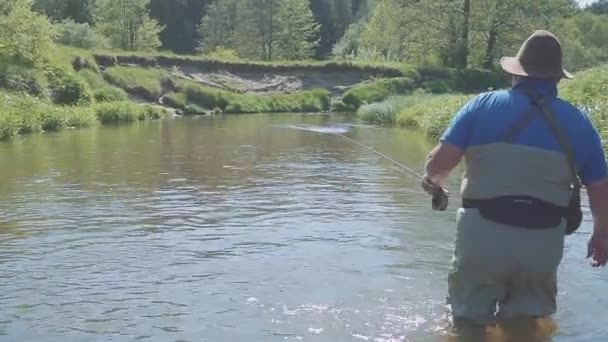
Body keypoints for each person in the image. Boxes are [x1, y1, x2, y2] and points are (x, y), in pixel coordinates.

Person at [421, 30, 608, 338]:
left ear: (516, 74)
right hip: (543, 243)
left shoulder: (481, 106)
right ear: (557, 79)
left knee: (467, 324)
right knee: (527, 327)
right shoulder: (580, 123)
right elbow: (600, 189)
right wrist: (601, 235)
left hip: (483, 237)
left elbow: (439, 168)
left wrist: (432, 181)